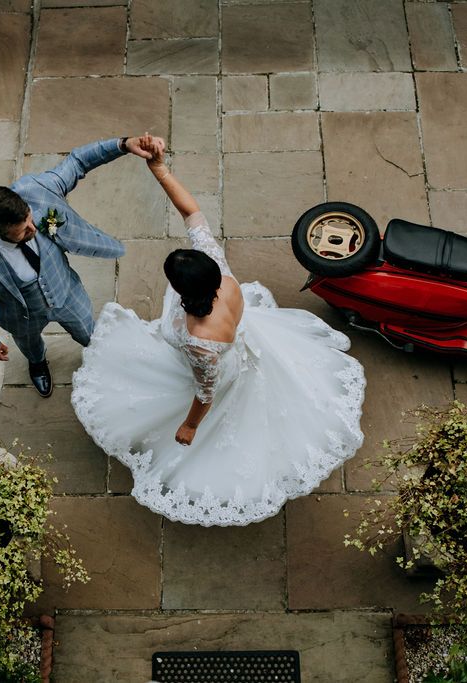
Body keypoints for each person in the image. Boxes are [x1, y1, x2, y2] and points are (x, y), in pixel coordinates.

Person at [71, 135, 366, 526]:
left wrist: (191, 425)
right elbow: (190, 211)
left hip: (218, 370)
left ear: (181, 291)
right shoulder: (218, 269)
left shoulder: (199, 342)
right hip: (245, 335)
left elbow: (205, 390)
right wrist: (159, 169)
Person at [0, 135, 160, 398]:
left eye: (29, 219)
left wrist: (123, 144)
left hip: (66, 293)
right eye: (23, 231)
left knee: (89, 334)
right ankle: (38, 364)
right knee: (30, 347)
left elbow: (77, 162)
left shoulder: (38, 189)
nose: (33, 228)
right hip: (21, 315)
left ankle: (102, 359)